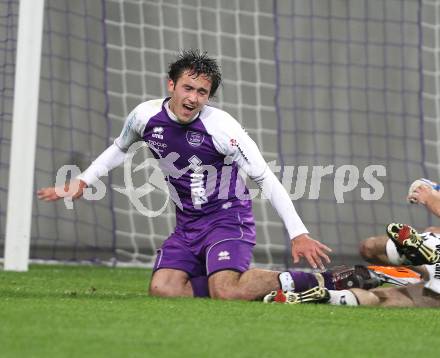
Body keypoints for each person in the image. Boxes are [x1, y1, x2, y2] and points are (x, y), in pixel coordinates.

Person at [38, 49, 333, 301]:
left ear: (209, 97)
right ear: (172, 85)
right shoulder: (145, 116)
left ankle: (319, 283)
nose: (192, 98)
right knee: (163, 289)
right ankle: (254, 288)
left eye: (201, 92)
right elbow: (120, 147)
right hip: (187, 225)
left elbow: (265, 178)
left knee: (226, 292)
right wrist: (84, 180)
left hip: (228, 220)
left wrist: (299, 234)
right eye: (187, 88)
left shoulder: (222, 129)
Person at [265, 221, 440, 307]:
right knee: (378, 298)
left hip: (430, 248)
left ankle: (408, 255)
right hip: (427, 281)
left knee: (368, 249)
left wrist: (430, 195)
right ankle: (329, 296)